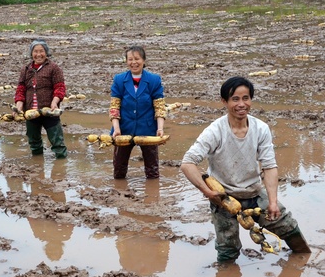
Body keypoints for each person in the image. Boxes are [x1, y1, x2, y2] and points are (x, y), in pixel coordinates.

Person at [180, 76, 311, 262]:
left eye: (246, 98)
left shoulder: (261, 129)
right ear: (224, 102)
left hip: (254, 193)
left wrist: (273, 201)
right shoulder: (215, 131)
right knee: (228, 248)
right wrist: (208, 192)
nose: (242, 104)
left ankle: (304, 261)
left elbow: (269, 166)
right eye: (235, 99)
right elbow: (187, 163)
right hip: (224, 198)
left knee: (288, 226)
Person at [109, 45, 167, 179]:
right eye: (130, 59)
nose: (133, 62)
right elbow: (114, 107)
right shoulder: (119, 80)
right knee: (119, 169)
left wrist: (160, 128)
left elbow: (159, 107)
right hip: (123, 129)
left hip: (147, 129)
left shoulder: (154, 80)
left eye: (137, 59)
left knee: (152, 170)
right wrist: (116, 128)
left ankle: (153, 196)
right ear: (126, 61)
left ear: (144, 61)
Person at [14, 39, 67, 158]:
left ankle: (61, 165)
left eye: (41, 51)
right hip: (31, 112)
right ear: (31, 54)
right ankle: (37, 165)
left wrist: (55, 102)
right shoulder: (26, 69)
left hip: (49, 111)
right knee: (34, 142)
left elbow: (60, 87)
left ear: (46, 52)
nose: (38, 54)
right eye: (35, 51)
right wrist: (19, 105)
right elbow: (21, 89)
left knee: (57, 142)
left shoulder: (54, 68)